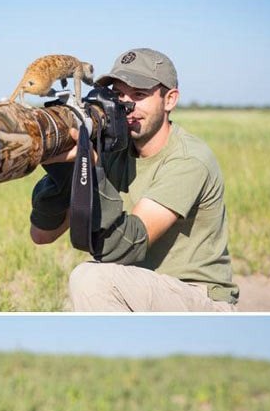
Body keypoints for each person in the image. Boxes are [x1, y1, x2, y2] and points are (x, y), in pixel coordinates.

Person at [30, 45, 238, 313]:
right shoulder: (115, 150)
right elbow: (42, 234)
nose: (126, 105)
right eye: (117, 94)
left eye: (139, 95)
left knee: (90, 279)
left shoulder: (188, 160)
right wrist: (65, 167)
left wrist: (92, 169)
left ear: (170, 99)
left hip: (197, 296)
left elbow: (129, 246)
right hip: (141, 289)